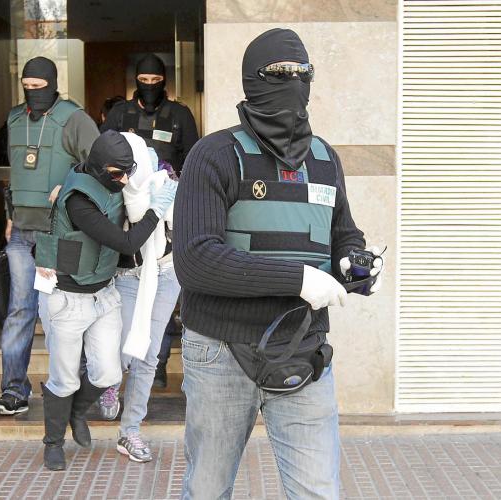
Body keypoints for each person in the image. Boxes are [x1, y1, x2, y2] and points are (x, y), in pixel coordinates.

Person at [173, 29, 384, 499]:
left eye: (304, 73)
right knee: (207, 489)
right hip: (221, 351)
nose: (295, 82)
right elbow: (195, 260)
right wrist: (299, 278)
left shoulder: (325, 158)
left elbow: (343, 232)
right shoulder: (215, 155)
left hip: (302, 346)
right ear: (253, 79)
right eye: (281, 73)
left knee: (317, 491)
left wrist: (354, 261)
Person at [35, 130, 178, 471]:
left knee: (107, 373)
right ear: (100, 168)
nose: (124, 180)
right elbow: (126, 243)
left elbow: (139, 178)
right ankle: (53, 443)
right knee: (65, 379)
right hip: (68, 297)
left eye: (128, 171)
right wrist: (156, 209)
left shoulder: (110, 179)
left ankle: (76, 412)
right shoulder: (78, 200)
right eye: (117, 174)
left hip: (104, 294)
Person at [0, 56, 100, 416]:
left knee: (61, 314)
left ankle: (67, 389)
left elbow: (99, 167)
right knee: (20, 310)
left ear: (52, 84)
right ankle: (13, 391)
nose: (32, 92)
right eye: (27, 86)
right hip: (22, 233)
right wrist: (9, 214)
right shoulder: (14, 119)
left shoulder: (74, 119)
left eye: (38, 86)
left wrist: (69, 189)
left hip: (59, 233)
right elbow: (15, 173)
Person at [96, 134, 180, 463]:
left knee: (148, 354)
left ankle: (130, 430)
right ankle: (109, 384)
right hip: (129, 275)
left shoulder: (166, 180)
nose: (125, 176)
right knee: (121, 351)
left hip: (166, 272)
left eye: (130, 168)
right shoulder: (111, 188)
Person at [101, 53, 199, 174]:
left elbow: (194, 160)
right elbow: (103, 153)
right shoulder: (119, 112)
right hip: (127, 183)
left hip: (170, 184)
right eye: (144, 80)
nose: (150, 85)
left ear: (164, 80)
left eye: (156, 80)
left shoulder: (180, 114)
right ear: (136, 80)